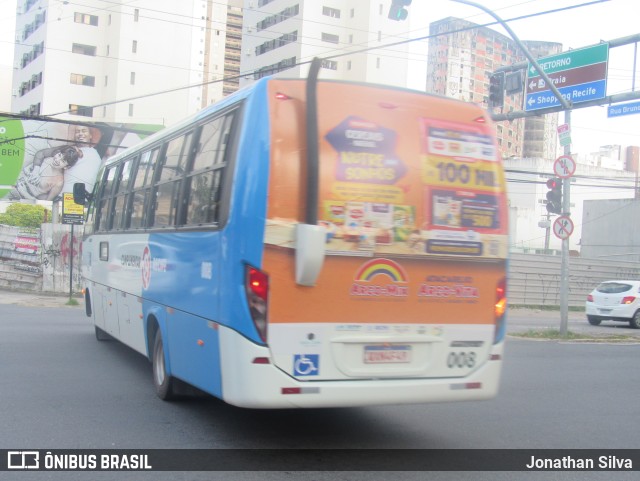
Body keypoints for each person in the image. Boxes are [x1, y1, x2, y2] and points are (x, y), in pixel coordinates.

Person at [5, 146, 82, 201]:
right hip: (14, 184)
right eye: (59, 155)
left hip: (24, 198)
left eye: (63, 161)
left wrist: (24, 193)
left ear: (66, 167)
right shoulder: (48, 159)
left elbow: (46, 203)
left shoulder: (58, 182)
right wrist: (31, 172)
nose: (57, 160)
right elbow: (27, 168)